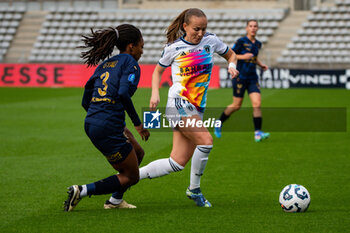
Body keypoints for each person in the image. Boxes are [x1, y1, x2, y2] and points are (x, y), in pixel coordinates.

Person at [137, 8, 239, 207]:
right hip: (178, 104)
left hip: (196, 108)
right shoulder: (173, 48)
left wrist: (232, 65)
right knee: (206, 141)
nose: (200, 33)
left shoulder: (211, 41)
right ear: (185, 26)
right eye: (196, 29)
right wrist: (155, 93)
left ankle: (126, 178)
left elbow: (231, 55)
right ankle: (194, 190)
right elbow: (157, 72)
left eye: (203, 29)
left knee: (176, 163)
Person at [64, 24, 150, 212]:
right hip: (108, 125)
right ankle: (82, 190)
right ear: (131, 46)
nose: (142, 52)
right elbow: (123, 94)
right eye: (141, 47)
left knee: (138, 153)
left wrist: (101, 117)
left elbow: (86, 98)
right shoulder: (131, 63)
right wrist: (138, 124)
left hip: (96, 122)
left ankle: (115, 201)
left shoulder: (106, 64)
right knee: (131, 176)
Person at [214, 19, 270, 142]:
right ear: (247, 28)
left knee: (257, 104)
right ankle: (218, 122)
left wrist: (261, 65)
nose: (253, 28)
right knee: (236, 105)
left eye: (255, 26)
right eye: (251, 26)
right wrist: (243, 57)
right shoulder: (241, 41)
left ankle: (258, 133)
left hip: (252, 77)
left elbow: (254, 58)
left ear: (258, 28)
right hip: (240, 77)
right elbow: (231, 55)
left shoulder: (258, 44)